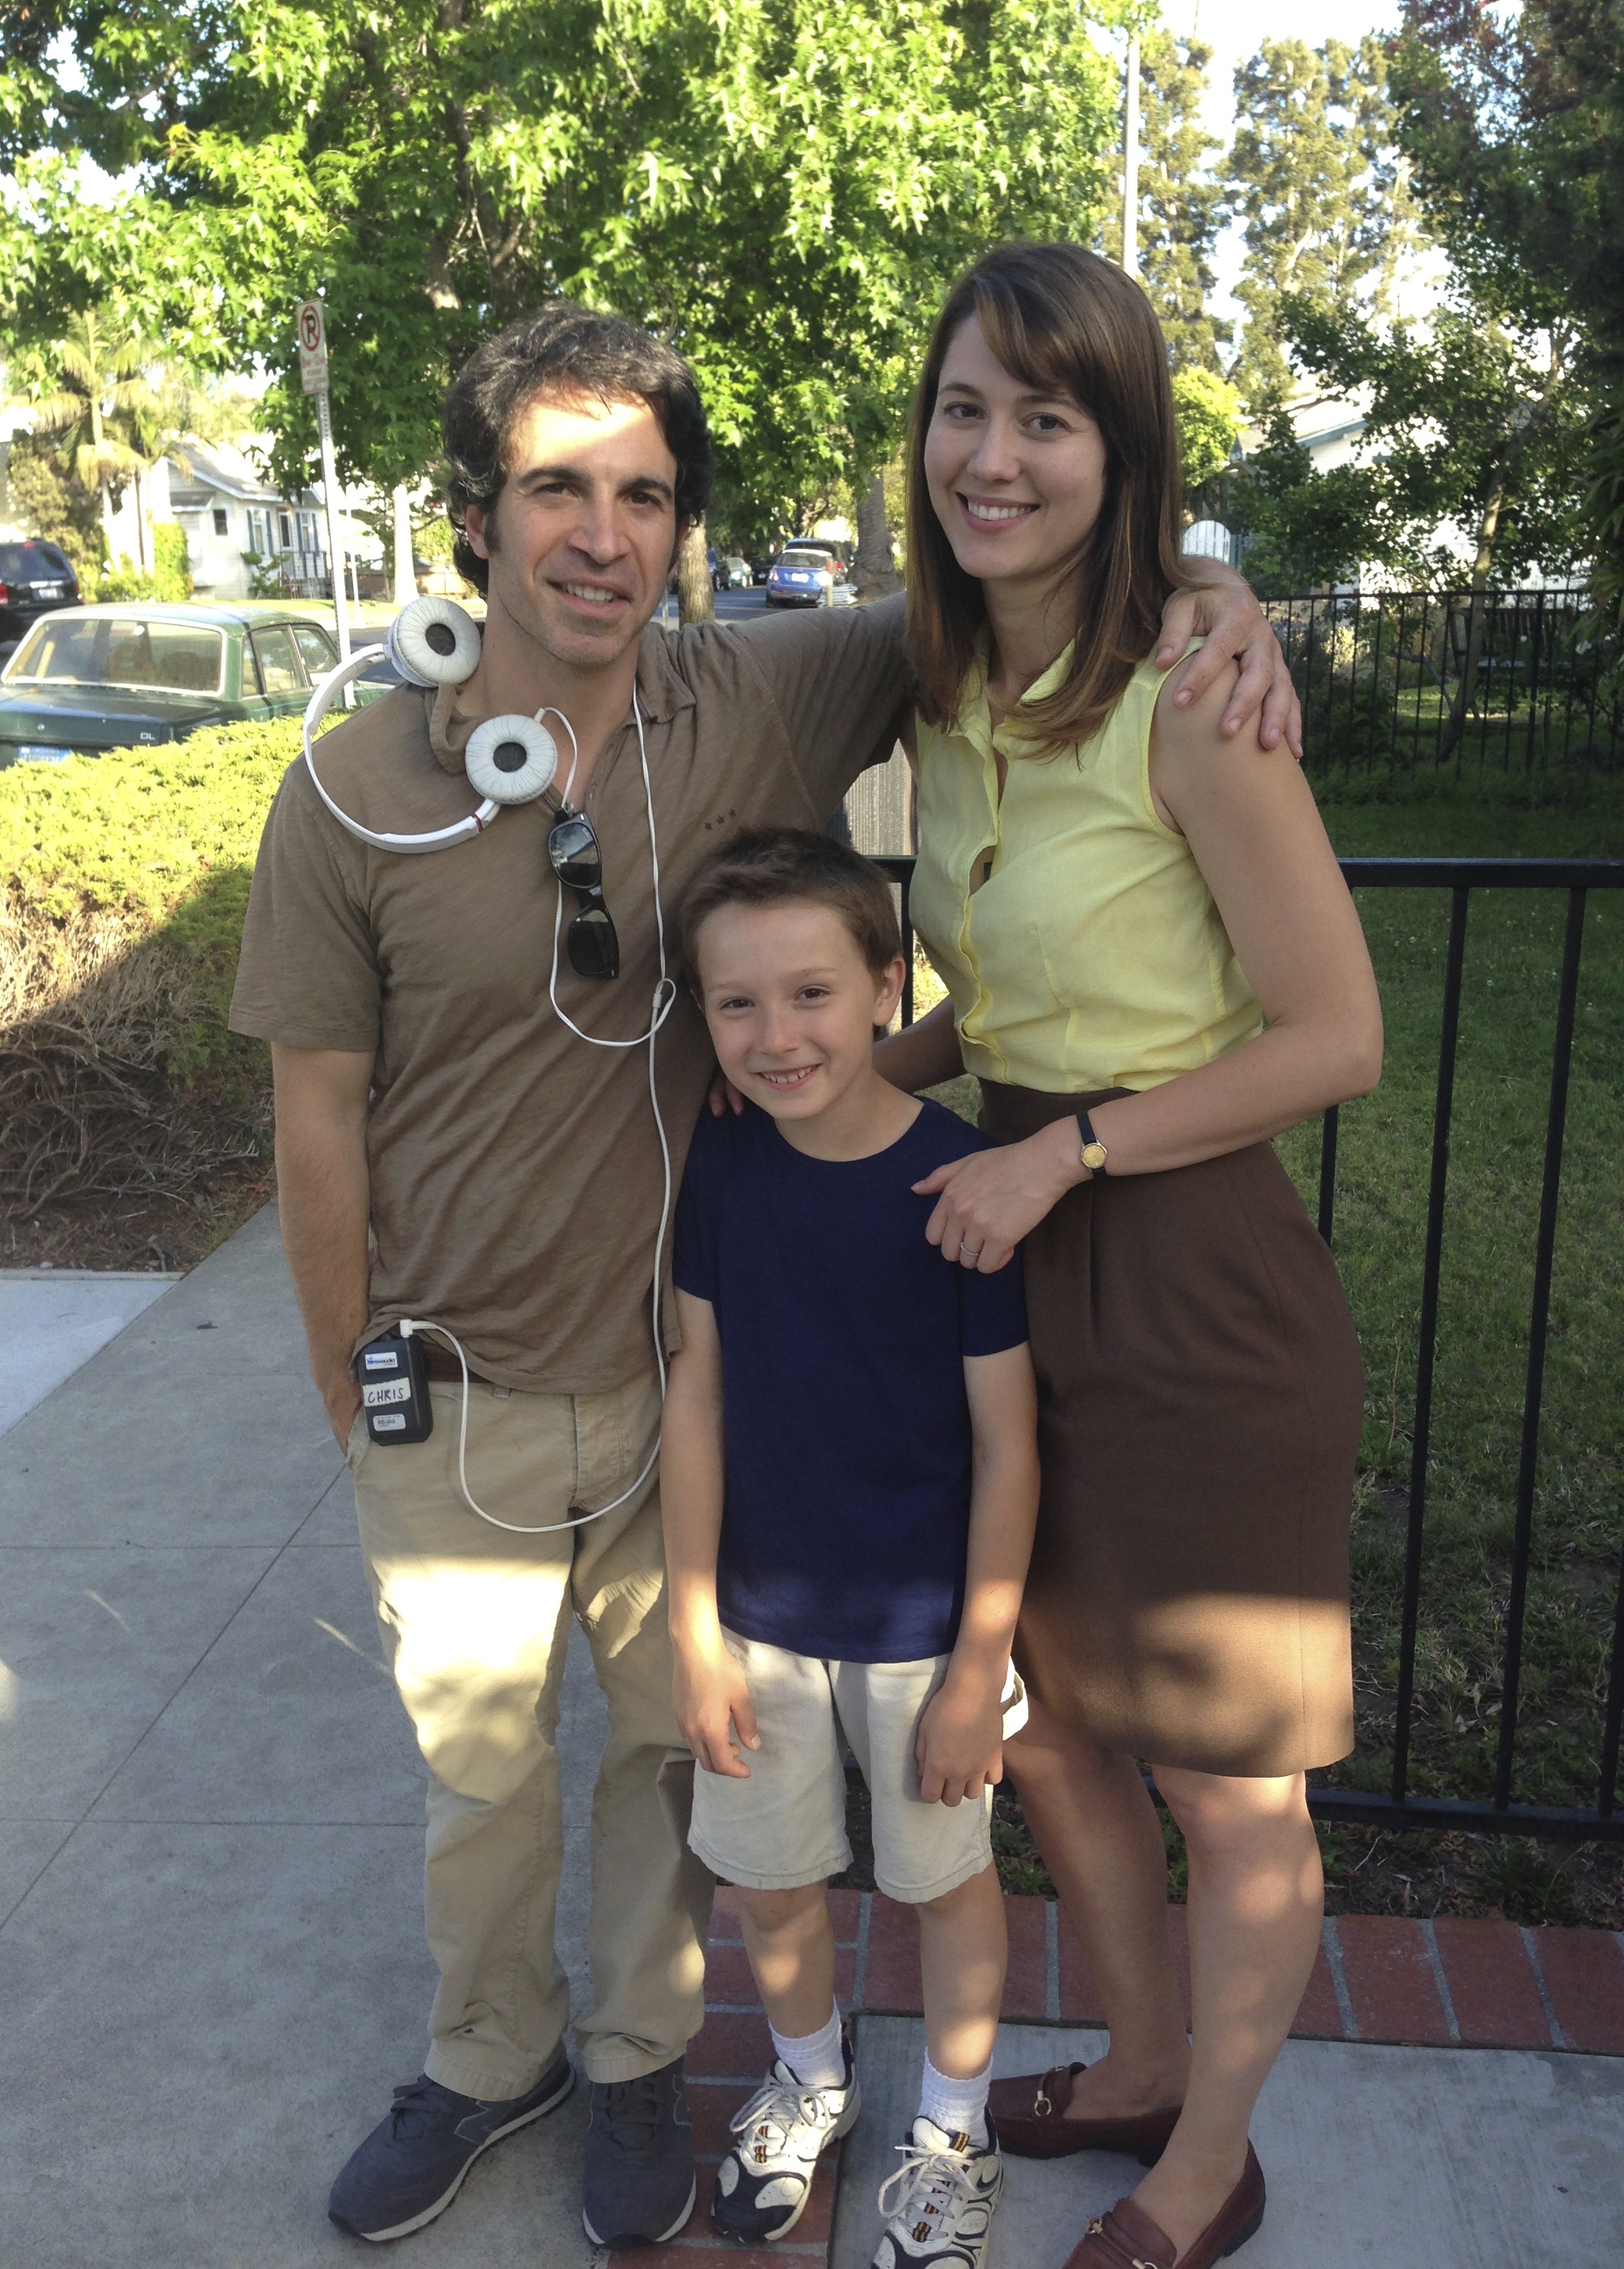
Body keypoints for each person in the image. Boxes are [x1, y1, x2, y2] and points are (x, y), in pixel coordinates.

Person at [227, 293, 1300, 2250]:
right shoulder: (355, 793)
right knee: (481, 1781)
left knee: (671, 1763)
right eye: (555, 486)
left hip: (670, 1360)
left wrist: (1217, 584)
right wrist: (343, 1379)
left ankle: (643, 2067)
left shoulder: (762, 694)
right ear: (474, 514)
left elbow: (1030, 546)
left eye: (643, 494)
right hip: (452, 1384)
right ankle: (487, 2059)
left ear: (682, 526)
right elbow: (314, 1120)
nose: (600, 534)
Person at [871, 243, 1383, 2269]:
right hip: (1016, 1242)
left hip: (1185, 1269)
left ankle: (1207, 2164)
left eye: (1048, 417)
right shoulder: (951, 682)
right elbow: (999, 1000)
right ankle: (1147, 2060)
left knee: (1233, 1781)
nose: (994, 458)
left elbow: (1334, 1037)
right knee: (1058, 1723)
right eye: (964, 410)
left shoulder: (1198, 685)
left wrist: (1066, 1151)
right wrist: (844, 1085)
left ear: (1123, 447)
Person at [662, 829, 1039, 2268]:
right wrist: (695, 1634)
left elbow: (1009, 1444)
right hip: (756, 1614)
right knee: (769, 1886)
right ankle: (811, 2080)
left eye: (813, 993)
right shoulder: (719, 1166)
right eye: (737, 1003)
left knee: (943, 1883)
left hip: (924, 1628)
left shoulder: (962, 1184)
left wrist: (977, 1668)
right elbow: (695, 1395)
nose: (776, 1035)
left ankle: (953, 2129)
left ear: (892, 986)